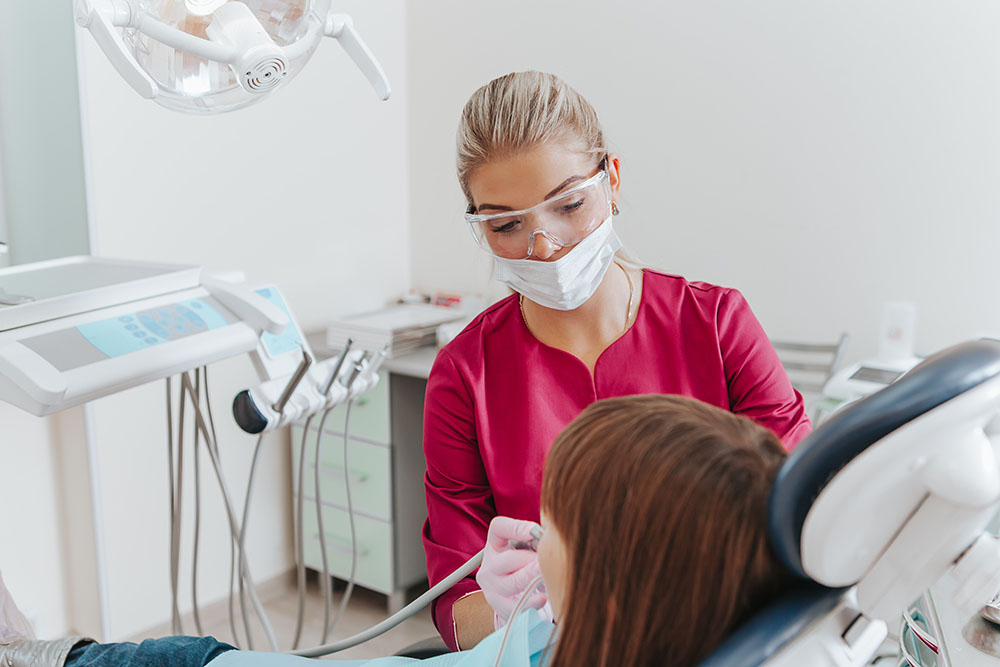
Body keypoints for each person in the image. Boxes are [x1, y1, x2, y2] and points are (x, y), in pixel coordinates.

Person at [423, 70, 811, 650]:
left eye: (569, 204)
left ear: (613, 180)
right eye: (506, 224)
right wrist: (509, 618)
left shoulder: (716, 325)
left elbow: (802, 506)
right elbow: (455, 607)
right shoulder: (464, 376)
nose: (545, 245)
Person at [0, 394, 794, 666]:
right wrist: (537, 612)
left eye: (553, 525)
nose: (530, 532)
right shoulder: (588, 631)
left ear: (622, 588)